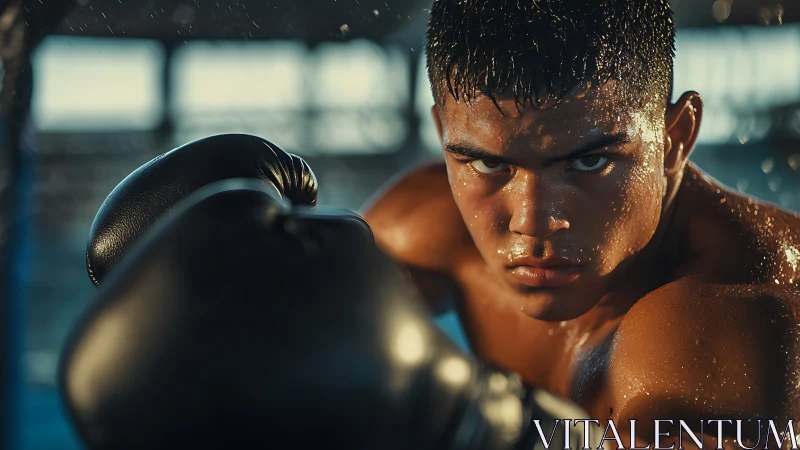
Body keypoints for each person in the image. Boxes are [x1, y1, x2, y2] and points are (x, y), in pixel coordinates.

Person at [362, 0, 800, 446]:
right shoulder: (425, 227)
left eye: (589, 162)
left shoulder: (719, 323)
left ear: (674, 139)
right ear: (443, 134)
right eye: (489, 165)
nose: (533, 222)